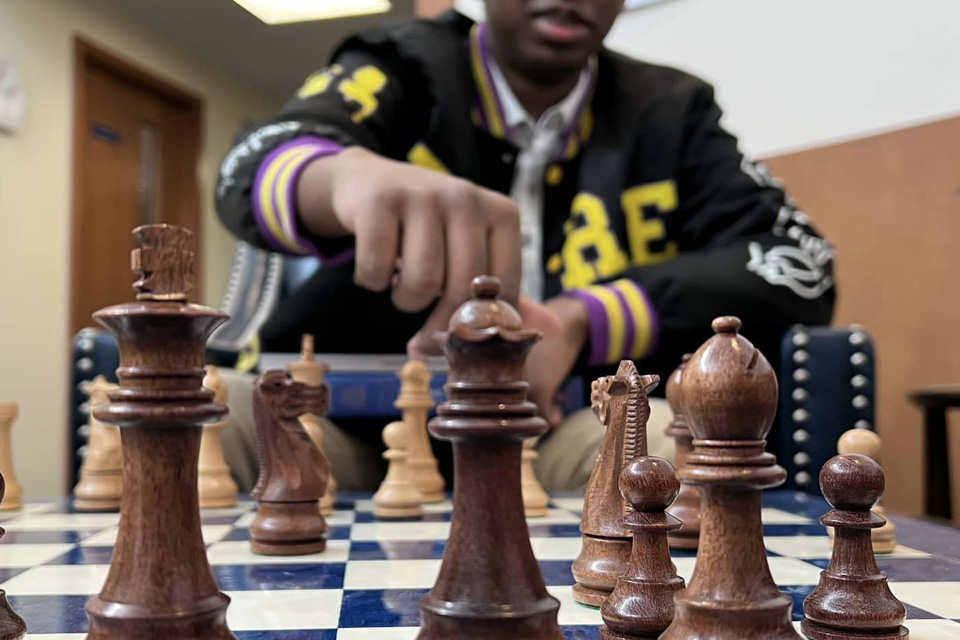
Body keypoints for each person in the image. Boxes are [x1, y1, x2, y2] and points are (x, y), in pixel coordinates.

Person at [215, 0, 836, 492]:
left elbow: (802, 264)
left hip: (566, 428)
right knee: (213, 423)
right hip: (350, 427)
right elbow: (252, 164)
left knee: (677, 459)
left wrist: (584, 319)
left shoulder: (674, 112)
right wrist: (335, 177)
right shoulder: (401, 62)